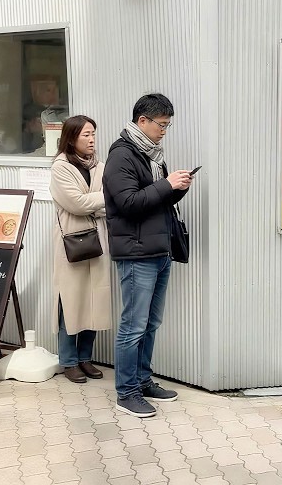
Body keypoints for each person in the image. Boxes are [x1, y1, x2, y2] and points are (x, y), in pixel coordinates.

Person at [103, 93, 192, 418]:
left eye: (167, 125)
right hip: (136, 253)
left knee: (151, 323)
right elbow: (127, 203)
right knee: (133, 325)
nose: (164, 131)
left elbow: (156, 200)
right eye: (162, 125)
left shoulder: (151, 155)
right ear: (143, 121)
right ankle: (126, 393)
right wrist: (166, 184)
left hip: (159, 249)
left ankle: (143, 380)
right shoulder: (122, 156)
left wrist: (177, 187)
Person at [50, 115, 112, 384]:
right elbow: (75, 203)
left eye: (93, 134)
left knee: (94, 300)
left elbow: (114, 199)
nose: (91, 139)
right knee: (71, 299)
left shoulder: (100, 165)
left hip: (98, 239)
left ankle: (86, 358)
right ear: (71, 137)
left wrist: (93, 202)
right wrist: (99, 201)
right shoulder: (60, 167)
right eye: (86, 134)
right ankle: (68, 361)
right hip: (72, 241)